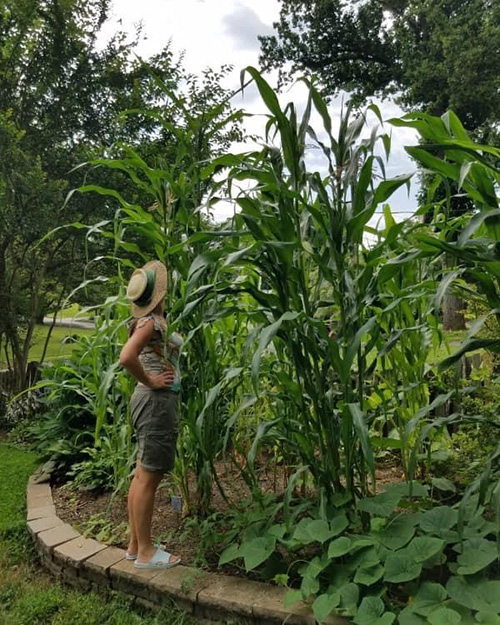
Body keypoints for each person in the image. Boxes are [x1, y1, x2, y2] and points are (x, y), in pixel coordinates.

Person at [119, 260, 183, 570]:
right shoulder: (151, 324)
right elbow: (126, 357)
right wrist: (152, 380)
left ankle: (134, 545)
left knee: (141, 474)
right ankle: (145, 552)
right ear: (158, 294)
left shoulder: (147, 321)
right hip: (155, 403)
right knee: (149, 477)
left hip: (149, 402)